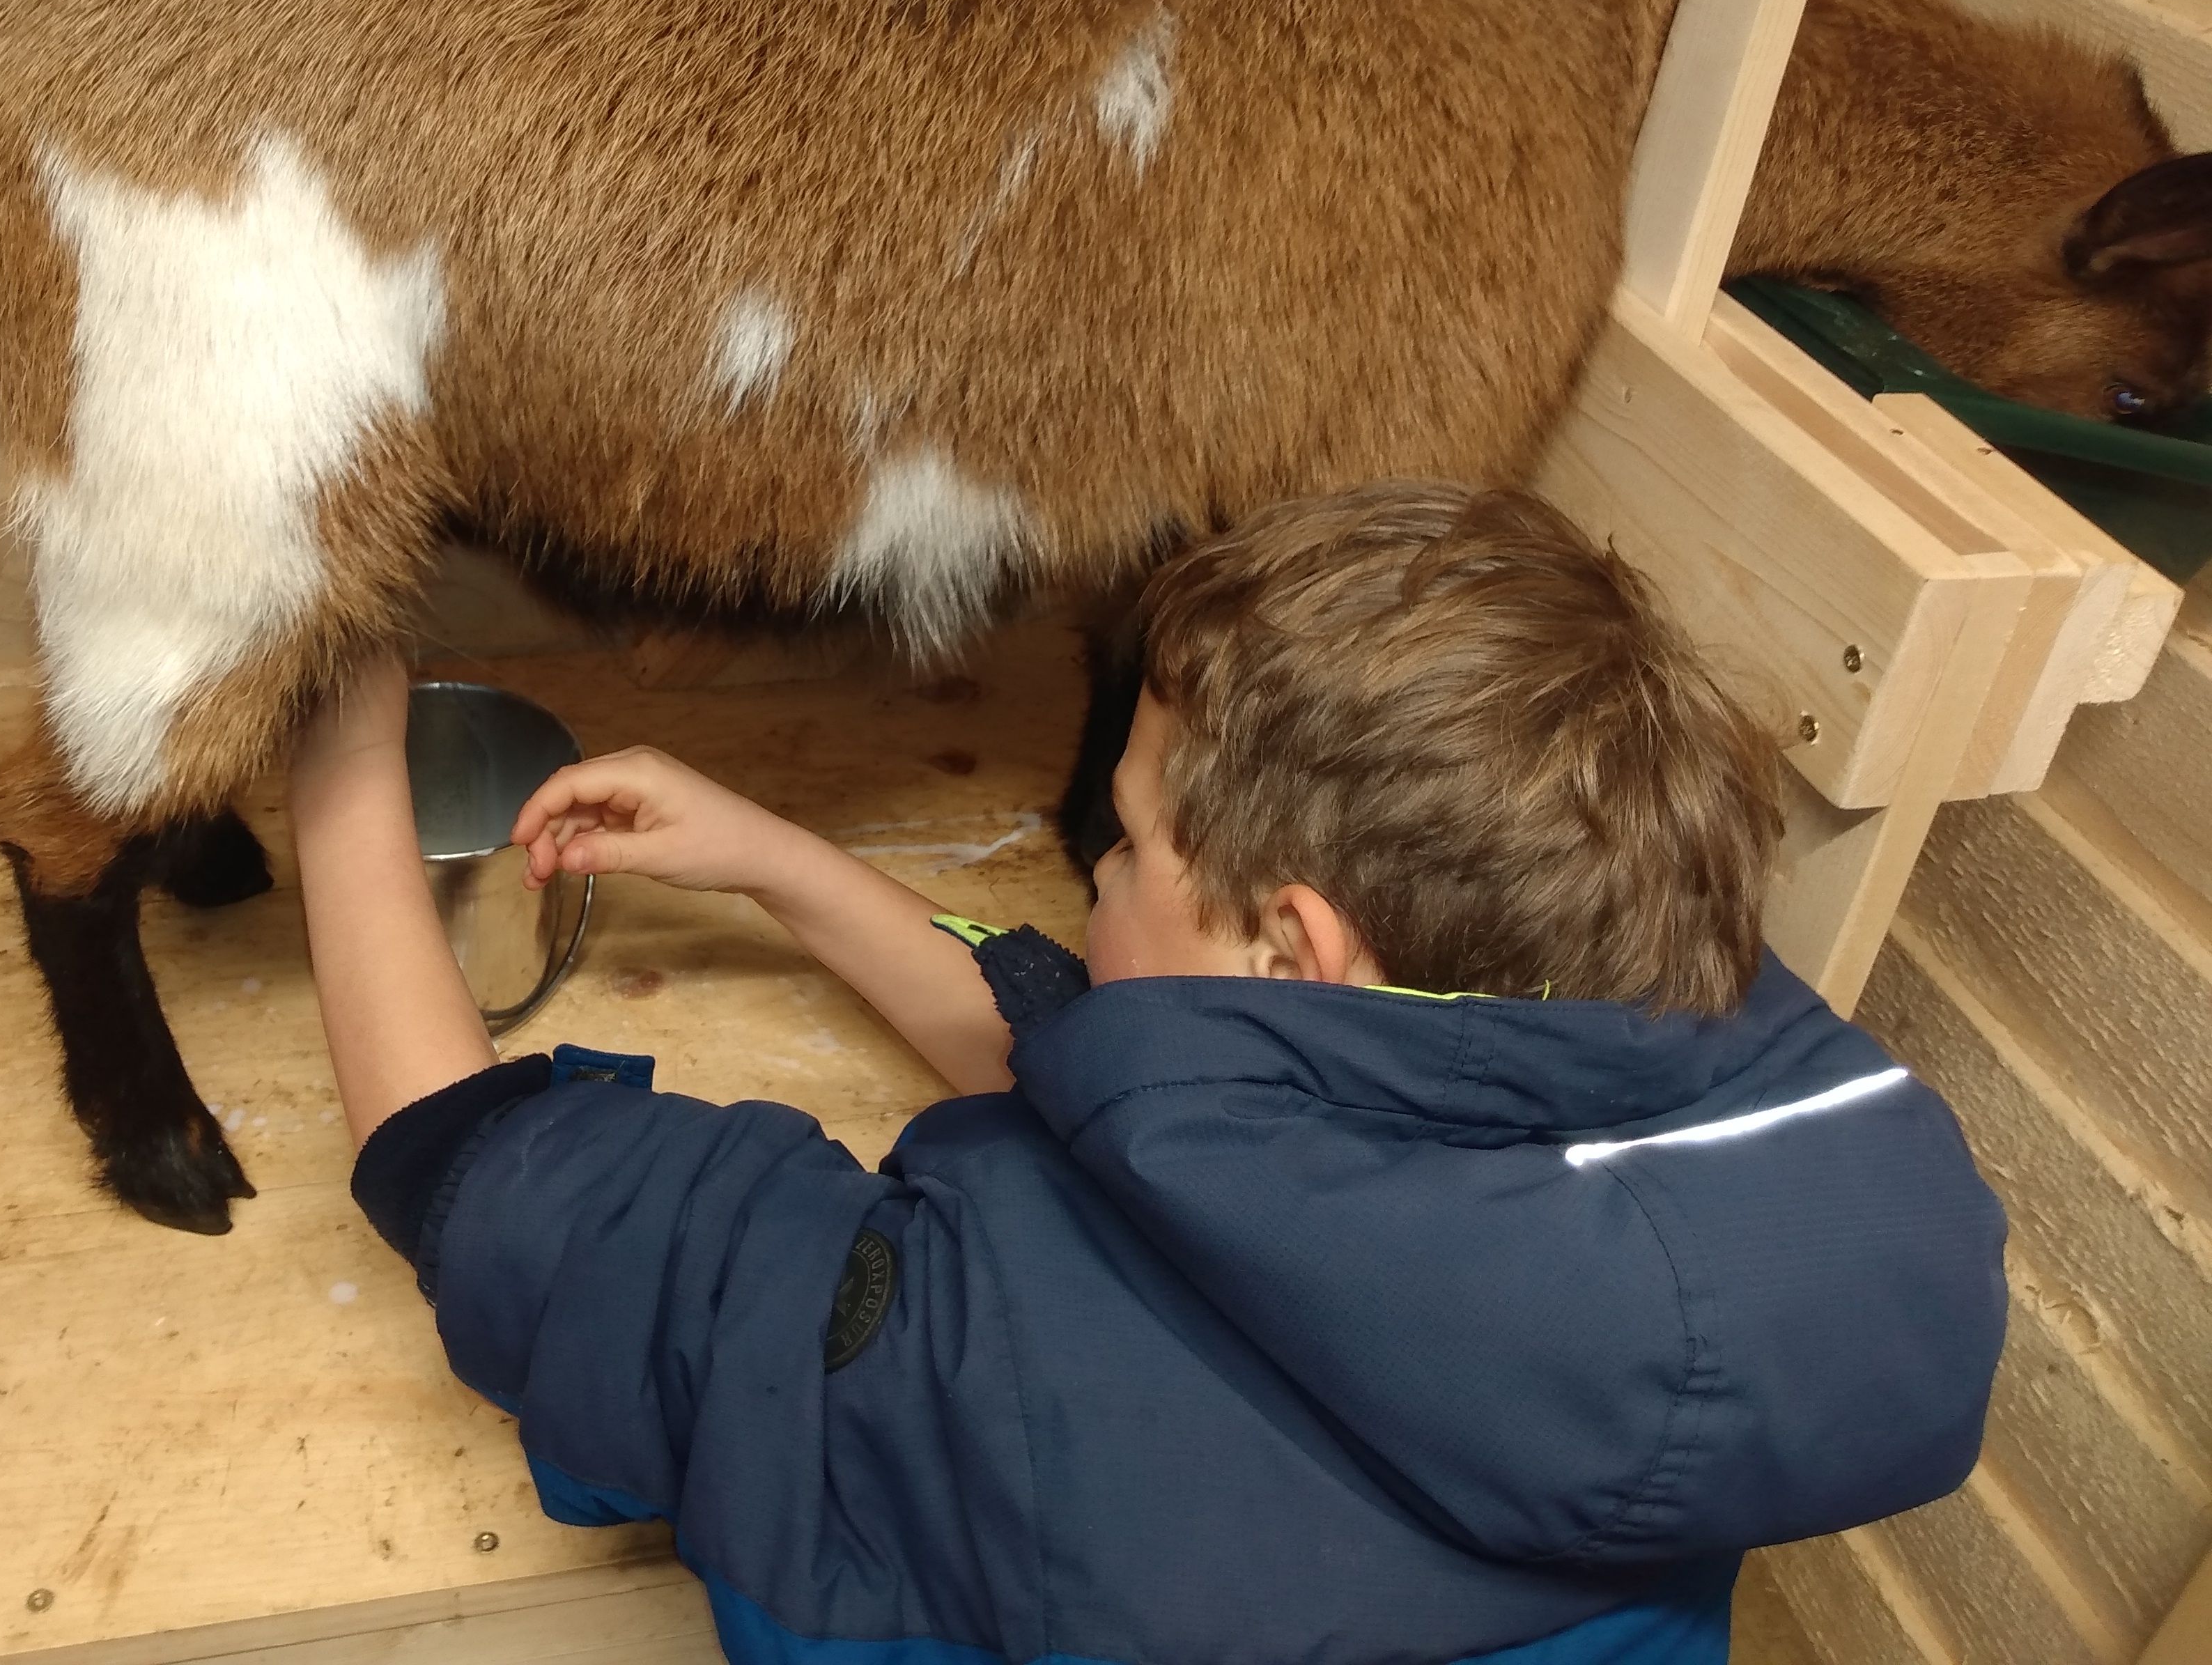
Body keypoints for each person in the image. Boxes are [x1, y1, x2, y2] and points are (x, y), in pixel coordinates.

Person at [284, 481, 2007, 1665]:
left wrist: (341, 752)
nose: (1086, 881)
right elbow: (1171, 1101)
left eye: (1117, 845)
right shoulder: (1696, 1217)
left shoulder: (984, 1363)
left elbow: (485, 1171)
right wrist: (787, 866)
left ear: (1295, 950)